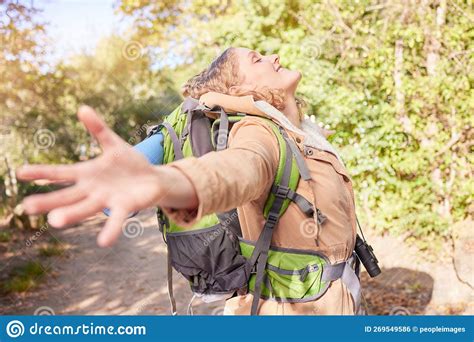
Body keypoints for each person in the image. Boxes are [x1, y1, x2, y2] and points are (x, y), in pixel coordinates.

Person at [17, 47, 359, 315]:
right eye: (257, 59)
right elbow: (237, 170)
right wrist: (166, 183)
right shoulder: (258, 133)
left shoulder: (303, 136)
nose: (274, 57)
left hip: (335, 301)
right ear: (239, 89)